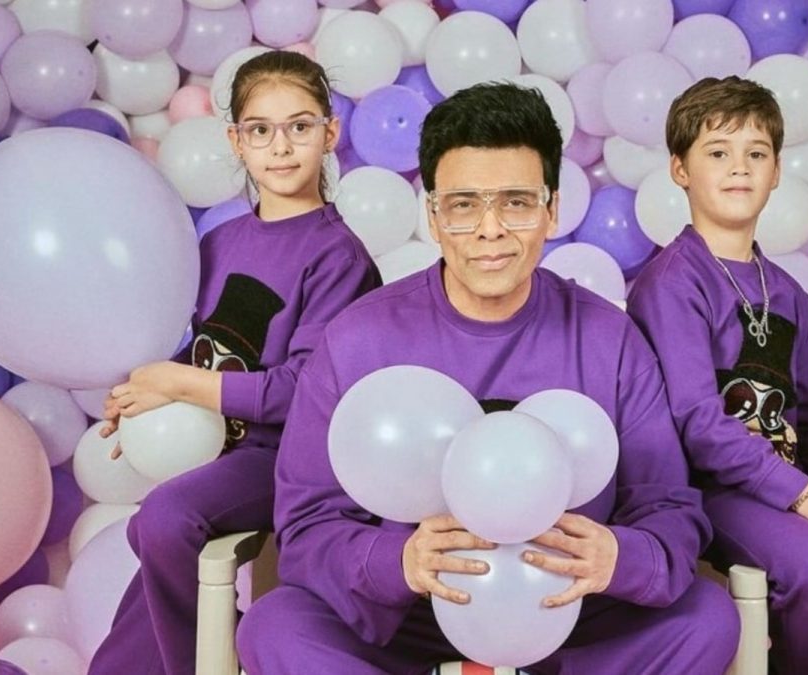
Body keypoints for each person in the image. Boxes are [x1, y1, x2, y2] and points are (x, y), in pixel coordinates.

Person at [235, 82, 739, 675]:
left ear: (551, 210)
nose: (490, 229)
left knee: (706, 617)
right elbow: (307, 524)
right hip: (406, 619)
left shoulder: (611, 339)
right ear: (433, 216)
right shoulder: (357, 339)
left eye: (517, 202)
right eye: (464, 205)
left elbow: (669, 507)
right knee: (276, 626)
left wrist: (618, 556)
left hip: (568, 612)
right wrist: (399, 562)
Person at [88, 50, 381, 675]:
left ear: (330, 133)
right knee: (145, 556)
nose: (281, 146)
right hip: (212, 452)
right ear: (236, 142)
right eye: (261, 130)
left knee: (164, 519)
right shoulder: (219, 242)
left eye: (300, 126)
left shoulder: (338, 257)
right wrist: (144, 399)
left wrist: (178, 383)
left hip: (288, 461)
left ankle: (206, 661)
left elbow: (301, 392)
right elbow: (200, 350)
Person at [627, 76, 808, 674]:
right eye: (717, 152)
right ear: (680, 170)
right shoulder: (673, 284)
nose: (739, 167)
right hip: (704, 493)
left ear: (777, 171)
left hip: (788, 492)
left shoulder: (790, 296)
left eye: (756, 153)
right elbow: (698, 424)